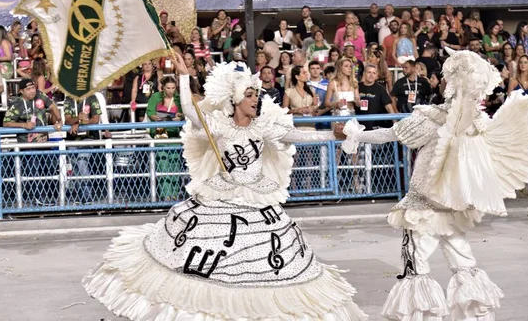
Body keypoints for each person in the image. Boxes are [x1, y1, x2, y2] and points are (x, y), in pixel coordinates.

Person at [83, 57, 368, 321]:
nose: (255, 99)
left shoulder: (264, 126)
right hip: (220, 194)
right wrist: (184, 78)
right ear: (235, 100)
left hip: (256, 196)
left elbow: (299, 136)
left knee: (264, 254)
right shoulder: (219, 124)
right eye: (249, 94)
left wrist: (333, 133)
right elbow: (190, 113)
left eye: (257, 94)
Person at [341, 48, 528, 321]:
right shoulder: (478, 123)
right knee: (463, 262)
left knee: (417, 265)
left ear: (452, 83)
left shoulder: (435, 117)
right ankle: (476, 315)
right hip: (452, 207)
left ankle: (423, 316)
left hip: (424, 206)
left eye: (448, 77)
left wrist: (355, 134)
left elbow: (391, 134)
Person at [146, 76, 183, 201]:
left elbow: (184, 113)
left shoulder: (179, 98)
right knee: (162, 162)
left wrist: (180, 116)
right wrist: (155, 117)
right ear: (163, 87)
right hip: (160, 130)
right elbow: (150, 112)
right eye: (168, 88)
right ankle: (166, 194)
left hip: (174, 132)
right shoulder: (155, 97)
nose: (171, 90)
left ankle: (174, 193)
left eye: (173, 88)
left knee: (174, 162)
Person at [64, 94, 103, 205]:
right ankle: (80, 194)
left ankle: (87, 196)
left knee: (82, 162)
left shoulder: (92, 97)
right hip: (72, 138)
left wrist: (82, 123)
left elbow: (96, 119)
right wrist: (78, 120)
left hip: (88, 137)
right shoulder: (69, 99)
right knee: (75, 165)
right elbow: (67, 120)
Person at [358, 64, 395, 130]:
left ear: (376, 76)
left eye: (374, 73)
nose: (371, 75)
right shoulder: (357, 87)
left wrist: (395, 124)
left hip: (375, 126)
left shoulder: (380, 89)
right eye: (369, 72)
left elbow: (389, 107)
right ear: (364, 74)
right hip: (358, 126)